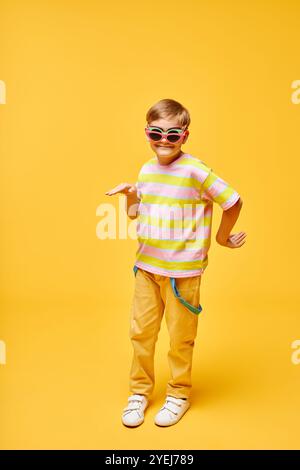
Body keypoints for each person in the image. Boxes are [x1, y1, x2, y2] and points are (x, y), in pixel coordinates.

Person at [105, 98, 246, 427]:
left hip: (182, 274)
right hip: (146, 270)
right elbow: (134, 214)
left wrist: (223, 238)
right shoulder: (146, 170)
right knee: (140, 333)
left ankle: (178, 394)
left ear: (185, 136)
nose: (164, 141)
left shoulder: (195, 170)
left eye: (172, 135)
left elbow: (234, 201)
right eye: (157, 134)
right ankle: (139, 392)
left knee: (181, 338)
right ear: (147, 133)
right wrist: (130, 194)